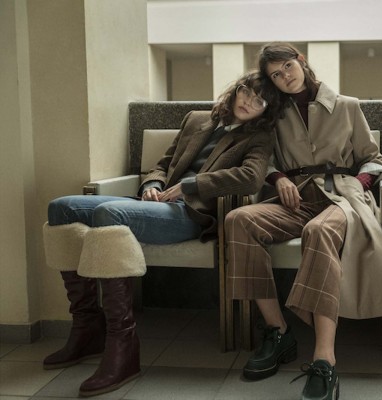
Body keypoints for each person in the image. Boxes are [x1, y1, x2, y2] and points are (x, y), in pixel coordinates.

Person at [41, 70, 280, 397]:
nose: (249, 102)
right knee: (61, 208)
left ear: (266, 110)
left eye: (259, 101)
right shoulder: (197, 119)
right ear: (236, 90)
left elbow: (250, 178)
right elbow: (163, 164)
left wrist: (190, 185)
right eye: (246, 92)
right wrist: (152, 184)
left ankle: (123, 344)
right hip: (152, 203)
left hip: (190, 214)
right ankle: (87, 328)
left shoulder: (260, 136)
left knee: (107, 213)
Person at [225, 42, 382, 400]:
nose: (284, 76)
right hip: (295, 197)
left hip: (343, 197)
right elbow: (263, 160)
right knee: (239, 220)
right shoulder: (274, 114)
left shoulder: (347, 106)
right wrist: (277, 179)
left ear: (301, 60)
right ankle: (278, 332)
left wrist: (358, 184)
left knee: (318, 232)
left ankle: (324, 359)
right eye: (275, 74)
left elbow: (374, 159)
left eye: (287, 66)